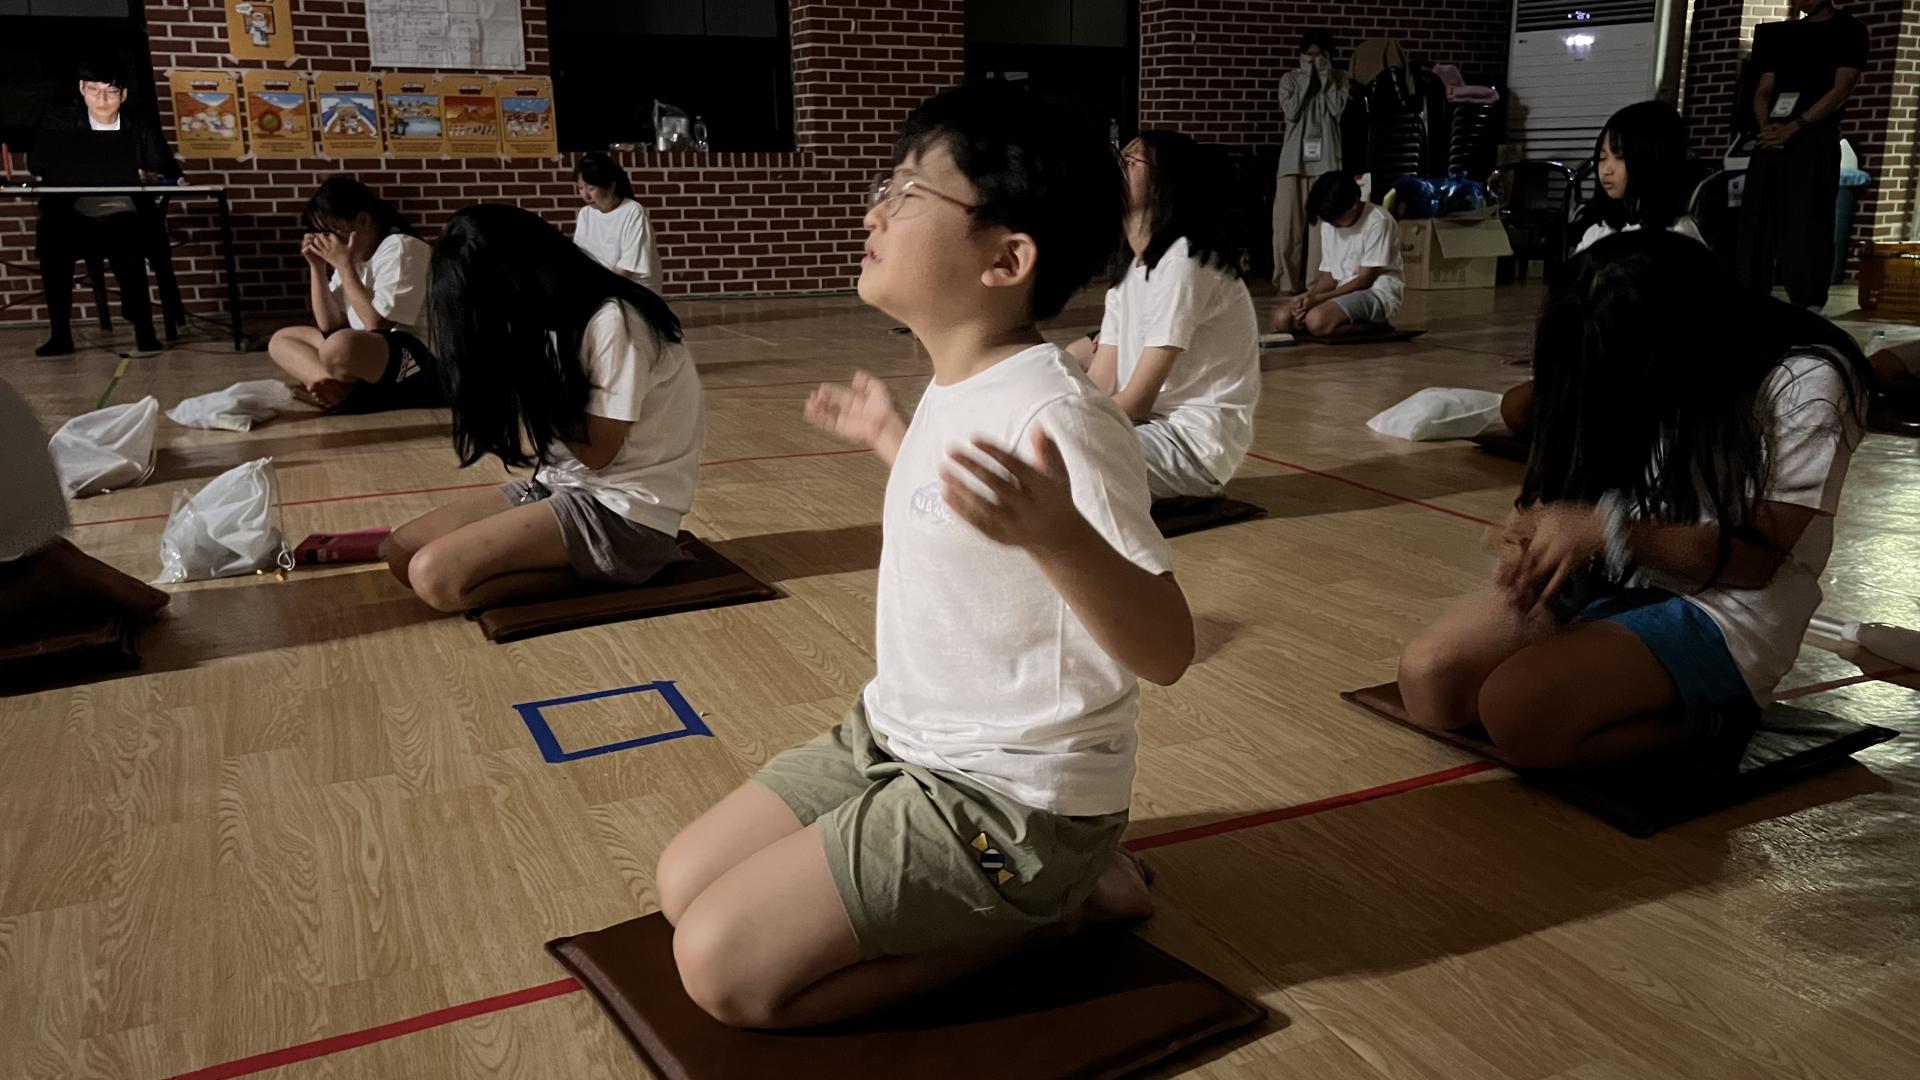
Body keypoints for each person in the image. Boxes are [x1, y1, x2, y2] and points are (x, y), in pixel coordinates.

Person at [653, 83, 1193, 1030]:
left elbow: (1168, 646)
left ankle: (1054, 908)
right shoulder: (958, 383)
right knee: (680, 881)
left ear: (1007, 256)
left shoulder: (1060, 415)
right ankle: (1025, 896)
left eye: (907, 195)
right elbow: (967, 528)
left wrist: (1063, 537)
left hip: (1013, 801)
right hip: (896, 739)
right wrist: (893, 442)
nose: (875, 212)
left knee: (722, 971)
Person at [1397, 230, 1869, 770]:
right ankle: (1608, 674)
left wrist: (1609, 530)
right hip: (1618, 574)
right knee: (1431, 681)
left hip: (1724, 606)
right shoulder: (1630, 345)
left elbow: (1754, 560)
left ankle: (1721, 716)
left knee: (1519, 713)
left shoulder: (1805, 379)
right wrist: (1540, 526)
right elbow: (1559, 439)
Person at [379, 205, 702, 613]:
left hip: (626, 513)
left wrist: (526, 366)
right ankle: (593, 568)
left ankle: (627, 572)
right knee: (399, 553)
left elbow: (599, 454)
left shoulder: (615, 320)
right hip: (562, 485)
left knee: (435, 578)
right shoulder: (552, 319)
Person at [1088, 131, 1260, 498]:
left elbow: (1136, 400)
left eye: (1131, 162)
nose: (1117, 168)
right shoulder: (1130, 270)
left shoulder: (1184, 260)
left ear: (1164, 184)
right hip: (1146, 431)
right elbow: (1101, 382)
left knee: (1053, 463)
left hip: (1192, 447)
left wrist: (1067, 427)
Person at [31, 58, 182, 358]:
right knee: (51, 237)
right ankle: (60, 334)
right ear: (81, 90)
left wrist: (146, 175)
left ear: (123, 95)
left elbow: (168, 169)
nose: (101, 99)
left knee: (127, 235)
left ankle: (143, 328)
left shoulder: (138, 126)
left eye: (110, 92)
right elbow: (39, 163)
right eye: (93, 90)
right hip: (72, 214)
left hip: (124, 213)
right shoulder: (61, 122)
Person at [1736, 0, 1868, 312]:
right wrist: (1766, 126)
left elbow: (1842, 88)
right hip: (1771, 137)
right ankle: (1750, 300)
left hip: (1813, 139)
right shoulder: (1779, 34)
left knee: (1807, 222)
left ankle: (1808, 304)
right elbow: (1763, 88)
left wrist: (1797, 125)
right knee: (1755, 221)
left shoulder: (1849, 30)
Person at [267, 178, 441, 413]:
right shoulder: (352, 255)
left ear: (363, 220)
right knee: (282, 340)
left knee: (340, 346)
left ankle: (351, 396)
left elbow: (377, 323)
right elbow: (329, 324)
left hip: (415, 357)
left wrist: (344, 265)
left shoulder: (400, 247)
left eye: (333, 231)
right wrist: (317, 267)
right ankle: (340, 394)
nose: (329, 241)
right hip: (368, 355)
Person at [1271, 171, 1403, 337]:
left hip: (1376, 292)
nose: (1334, 225)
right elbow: (1329, 276)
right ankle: (1331, 321)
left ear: (1354, 203)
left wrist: (1319, 300)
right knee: (1282, 319)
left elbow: (1365, 279)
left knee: (1316, 321)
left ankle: (1376, 327)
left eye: (1338, 219)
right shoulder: (1330, 223)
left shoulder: (1378, 221)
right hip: (1342, 290)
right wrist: (1308, 297)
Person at [1271, 29, 1349, 298]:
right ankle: (1286, 283)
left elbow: (1337, 109)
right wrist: (1307, 77)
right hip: (1293, 162)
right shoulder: (1290, 80)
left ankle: (1316, 284)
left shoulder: (1339, 79)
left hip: (1326, 161)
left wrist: (1325, 77)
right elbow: (1291, 111)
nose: (1314, 60)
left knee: (1322, 231)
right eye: (1309, 55)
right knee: (1286, 227)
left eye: (1320, 55)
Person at [1573, 100, 1705, 254]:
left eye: (1620, 156)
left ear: (1653, 161)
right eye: (1602, 157)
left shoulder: (1678, 236)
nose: (1606, 170)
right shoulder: (1598, 231)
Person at [572, 151, 661, 287]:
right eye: (580, 188)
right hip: (601, 287)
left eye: (591, 188)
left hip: (631, 288)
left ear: (610, 186)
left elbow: (626, 268)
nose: (585, 195)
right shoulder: (585, 214)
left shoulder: (633, 211)